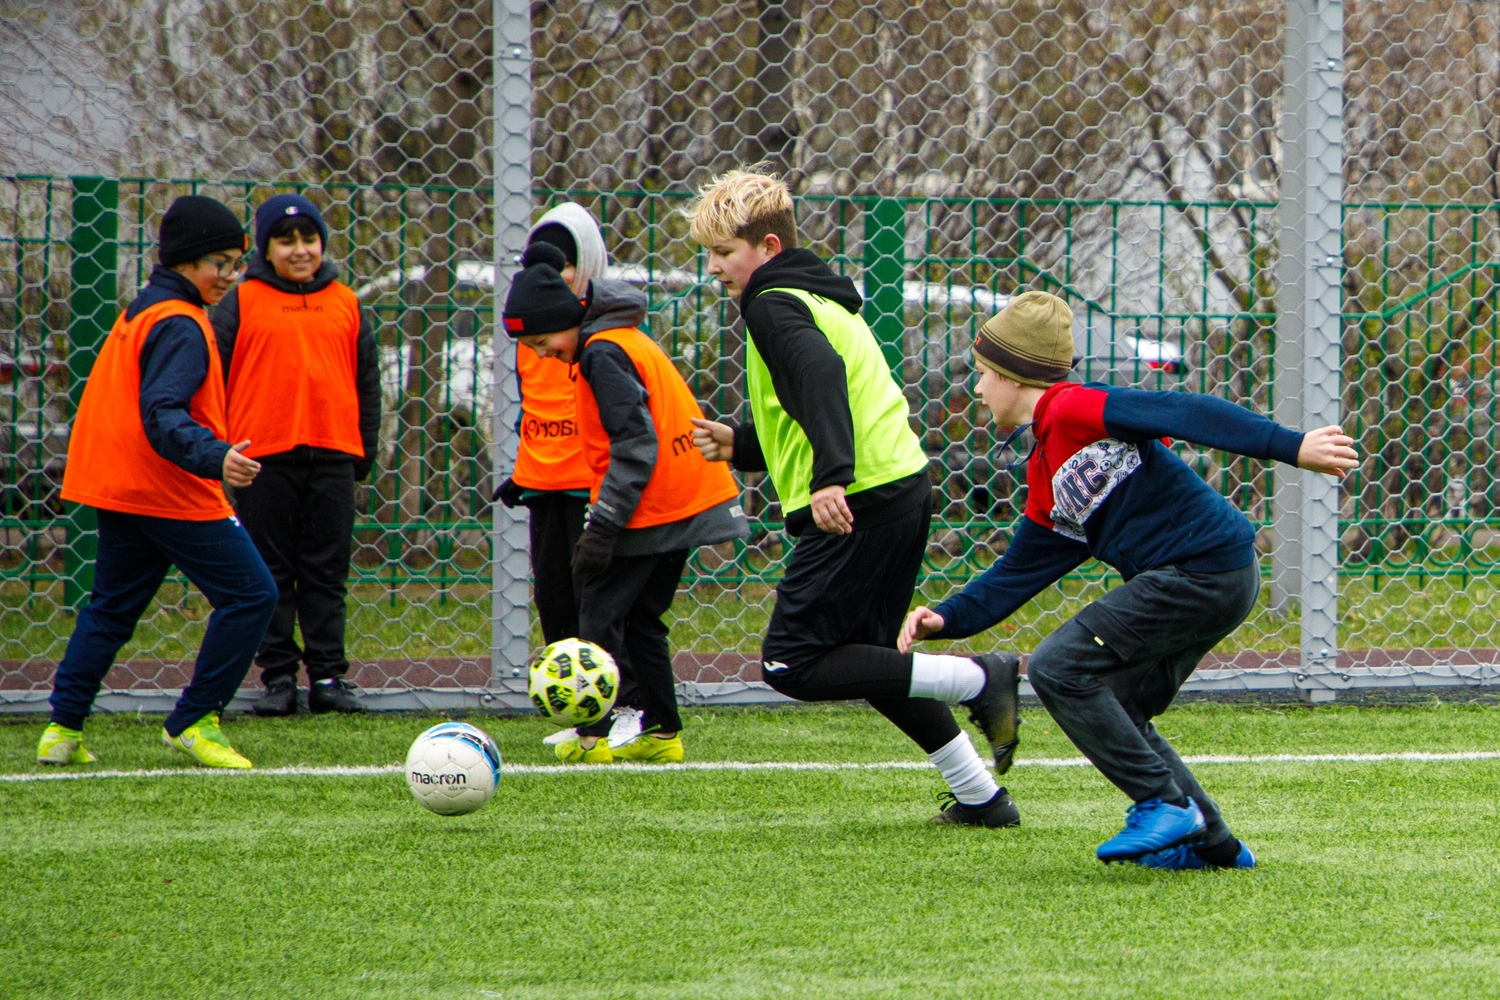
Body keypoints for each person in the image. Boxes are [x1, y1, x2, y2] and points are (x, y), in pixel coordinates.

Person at [899, 290, 1359, 867]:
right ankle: (1212, 845)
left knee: (1058, 667)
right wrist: (951, 616)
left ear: (1013, 376)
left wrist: (1291, 446)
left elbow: (1186, 411)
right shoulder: (1045, 471)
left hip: (1200, 568)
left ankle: (1163, 805)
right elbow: (1023, 568)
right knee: (1115, 696)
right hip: (1220, 574)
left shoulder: (1071, 409)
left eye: (983, 373)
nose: (978, 388)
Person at [686, 168, 1025, 828]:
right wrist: (742, 443)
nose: (716, 269)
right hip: (897, 485)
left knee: (795, 661)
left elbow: (821, 376)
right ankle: (984, 798)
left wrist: (830, 477)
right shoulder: (815, 298)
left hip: (861, 495)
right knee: (871, 662)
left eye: (725, 253)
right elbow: (816, 405)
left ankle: (983, 679)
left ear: (768, 250)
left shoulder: (770, 302)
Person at [37, 195, 277, 769]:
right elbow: (163, 413)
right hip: (165, 490)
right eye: (219, 261)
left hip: (117, 484)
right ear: (186, 260)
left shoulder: (142, 310)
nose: (229, 275)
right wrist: (216, 457)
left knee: (112, 609)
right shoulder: (182, 323)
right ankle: (195, 717)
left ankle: (62, 728)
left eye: (237, 262)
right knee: (252, 594)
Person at [503, 241, 748, 763]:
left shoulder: (601, 352)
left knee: (597, 614)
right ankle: (662, 734)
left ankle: (590, 740)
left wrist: (603, 528)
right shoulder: (616, 335)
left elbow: (635, 445)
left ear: (564, 319)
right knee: (640, 621)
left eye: (544, 342)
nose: (545, 354)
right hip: (688, 494)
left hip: (658, 502)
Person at [210, 194, 379, 716]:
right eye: (286, 241)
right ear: (265, 248)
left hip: (332, 456)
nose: (300, 250)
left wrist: (362, 453)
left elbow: (367, 382)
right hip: (263, 459)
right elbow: (215, 377)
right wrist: (221, 452)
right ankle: (278, 677)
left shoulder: (345, 302)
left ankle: (328, 677)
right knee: (271, 574)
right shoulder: (243, 301)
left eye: (309, 238)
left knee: (327, 574)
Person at [494, 204, 643, 749]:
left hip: (589, 482)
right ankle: (584, 714)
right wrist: (521, 471)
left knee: (598, 603)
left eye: (564, 265)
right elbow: (534, 407)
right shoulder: (531, 333)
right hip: (542, 483)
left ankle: (625, 708)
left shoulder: (602, 334)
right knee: (554, 598)